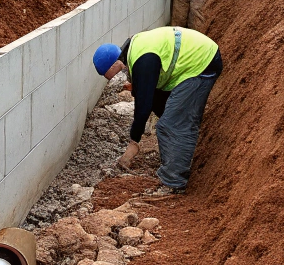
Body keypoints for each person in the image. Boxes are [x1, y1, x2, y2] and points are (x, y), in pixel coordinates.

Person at [92, 26, 223, 194]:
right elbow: (152, 96)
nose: (120, 78)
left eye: (113, 75)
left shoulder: (143, 60)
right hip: (198, 59)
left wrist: (134, 140)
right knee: (169, 119)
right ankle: (177, 156)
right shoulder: (136, 50)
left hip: (201, 64)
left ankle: (174, 182)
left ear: (114, 66)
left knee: (171, 125)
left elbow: (143, 106)